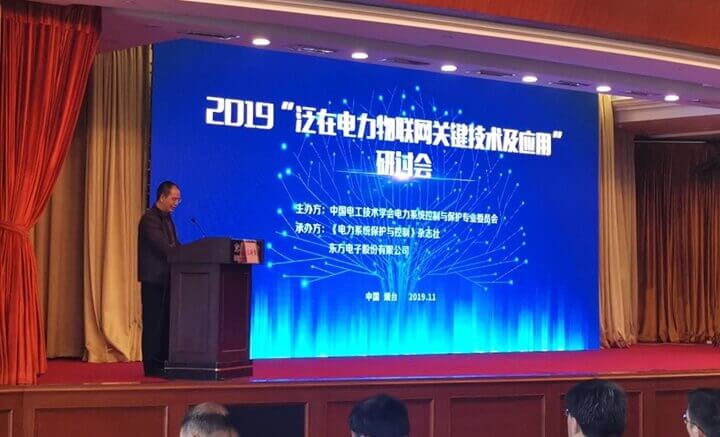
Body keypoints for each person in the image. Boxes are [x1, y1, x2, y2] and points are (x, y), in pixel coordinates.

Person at [137, 180, 181, 377]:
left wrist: (189, 253)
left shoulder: (168, 219)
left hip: (168, 279)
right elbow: (163, 246)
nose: (176, 203)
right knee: (153, 324)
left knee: (165, 324)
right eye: (173, 199)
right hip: (153, 281)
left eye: (178, 200)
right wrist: (178, 252)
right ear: (162, 197)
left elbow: (175, 244)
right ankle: (152, 366)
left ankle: (164, 361)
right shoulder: (149, 219)